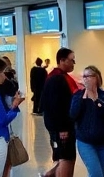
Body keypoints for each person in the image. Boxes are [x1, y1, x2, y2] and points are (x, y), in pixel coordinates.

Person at [70, 65, 104, 177]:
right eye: (84, 76)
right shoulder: (78, 96)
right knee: (96, 174)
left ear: (97, 78)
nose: (85, 79)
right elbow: (73, 114)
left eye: (88, 76)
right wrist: (84, 97)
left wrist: (96, 100)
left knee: (101, 173)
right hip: (85, 142)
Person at [41, 47, 79, 177]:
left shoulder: (58, 77)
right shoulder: (57, 79)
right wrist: (63, 128)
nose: (73, 63)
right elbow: (57, 105)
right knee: (66, 158)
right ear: (62, 60)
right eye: (72, 60)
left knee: (61, 157)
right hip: (62, 128)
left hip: (60, 127)